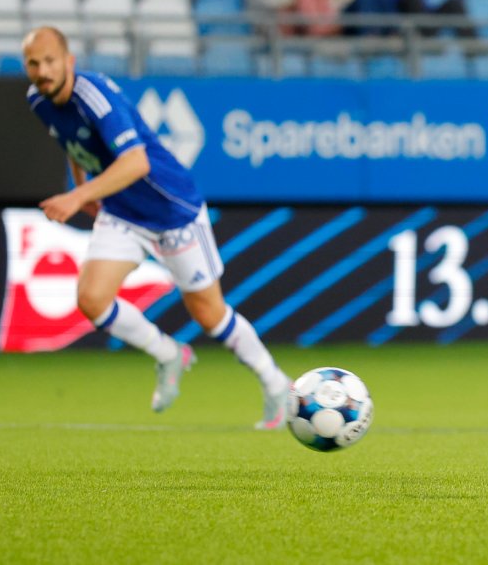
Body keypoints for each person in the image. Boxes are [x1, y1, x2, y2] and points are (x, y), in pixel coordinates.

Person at [21, 26, 291, 429]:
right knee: (92, 299)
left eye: (49, 61)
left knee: (209, 313)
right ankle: (168, 354)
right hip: (122, 210)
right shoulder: (38, 99)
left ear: (69, 61)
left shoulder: (95, 97)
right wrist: (85, 189)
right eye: (33, 63)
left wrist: (76, 198)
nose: (42, 70)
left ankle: (276, 384)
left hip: (171, 209)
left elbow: (137, 163)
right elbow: (72, 144)